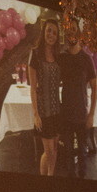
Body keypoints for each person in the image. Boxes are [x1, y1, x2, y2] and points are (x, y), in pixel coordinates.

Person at [58, 20, 97, 178]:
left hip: (82, 115)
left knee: (82, 153)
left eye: (74, 29)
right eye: (68, 31)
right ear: (66, 34)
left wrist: (91, 114)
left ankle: (82, 183)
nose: (71, 33)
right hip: (65, 114)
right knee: (67, 154)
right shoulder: (61, 58)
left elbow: (94, 88)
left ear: (79, 33)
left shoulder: (87, 59)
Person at [29, 19, 63, 176]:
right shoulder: (35, 53)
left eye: (55, 33)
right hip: (43, 111)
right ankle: (48, 178)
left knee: (55, 148)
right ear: (44, 32)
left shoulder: (57, 55)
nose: (51, 35)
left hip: (57, 110)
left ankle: (49, 177)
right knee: (48, 150)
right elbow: (33, 88)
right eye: (49, 30)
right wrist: (36, 114)